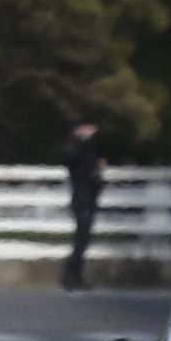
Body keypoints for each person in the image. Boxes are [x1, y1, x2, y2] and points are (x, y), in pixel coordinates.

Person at [61, 117, 111, 290]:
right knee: (80, 241)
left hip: (88, 198)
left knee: (83, 240)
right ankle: (71, 278)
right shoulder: (75, 146)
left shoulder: (87, 148)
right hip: (82, 199)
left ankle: (74, 277)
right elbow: (73, 162)